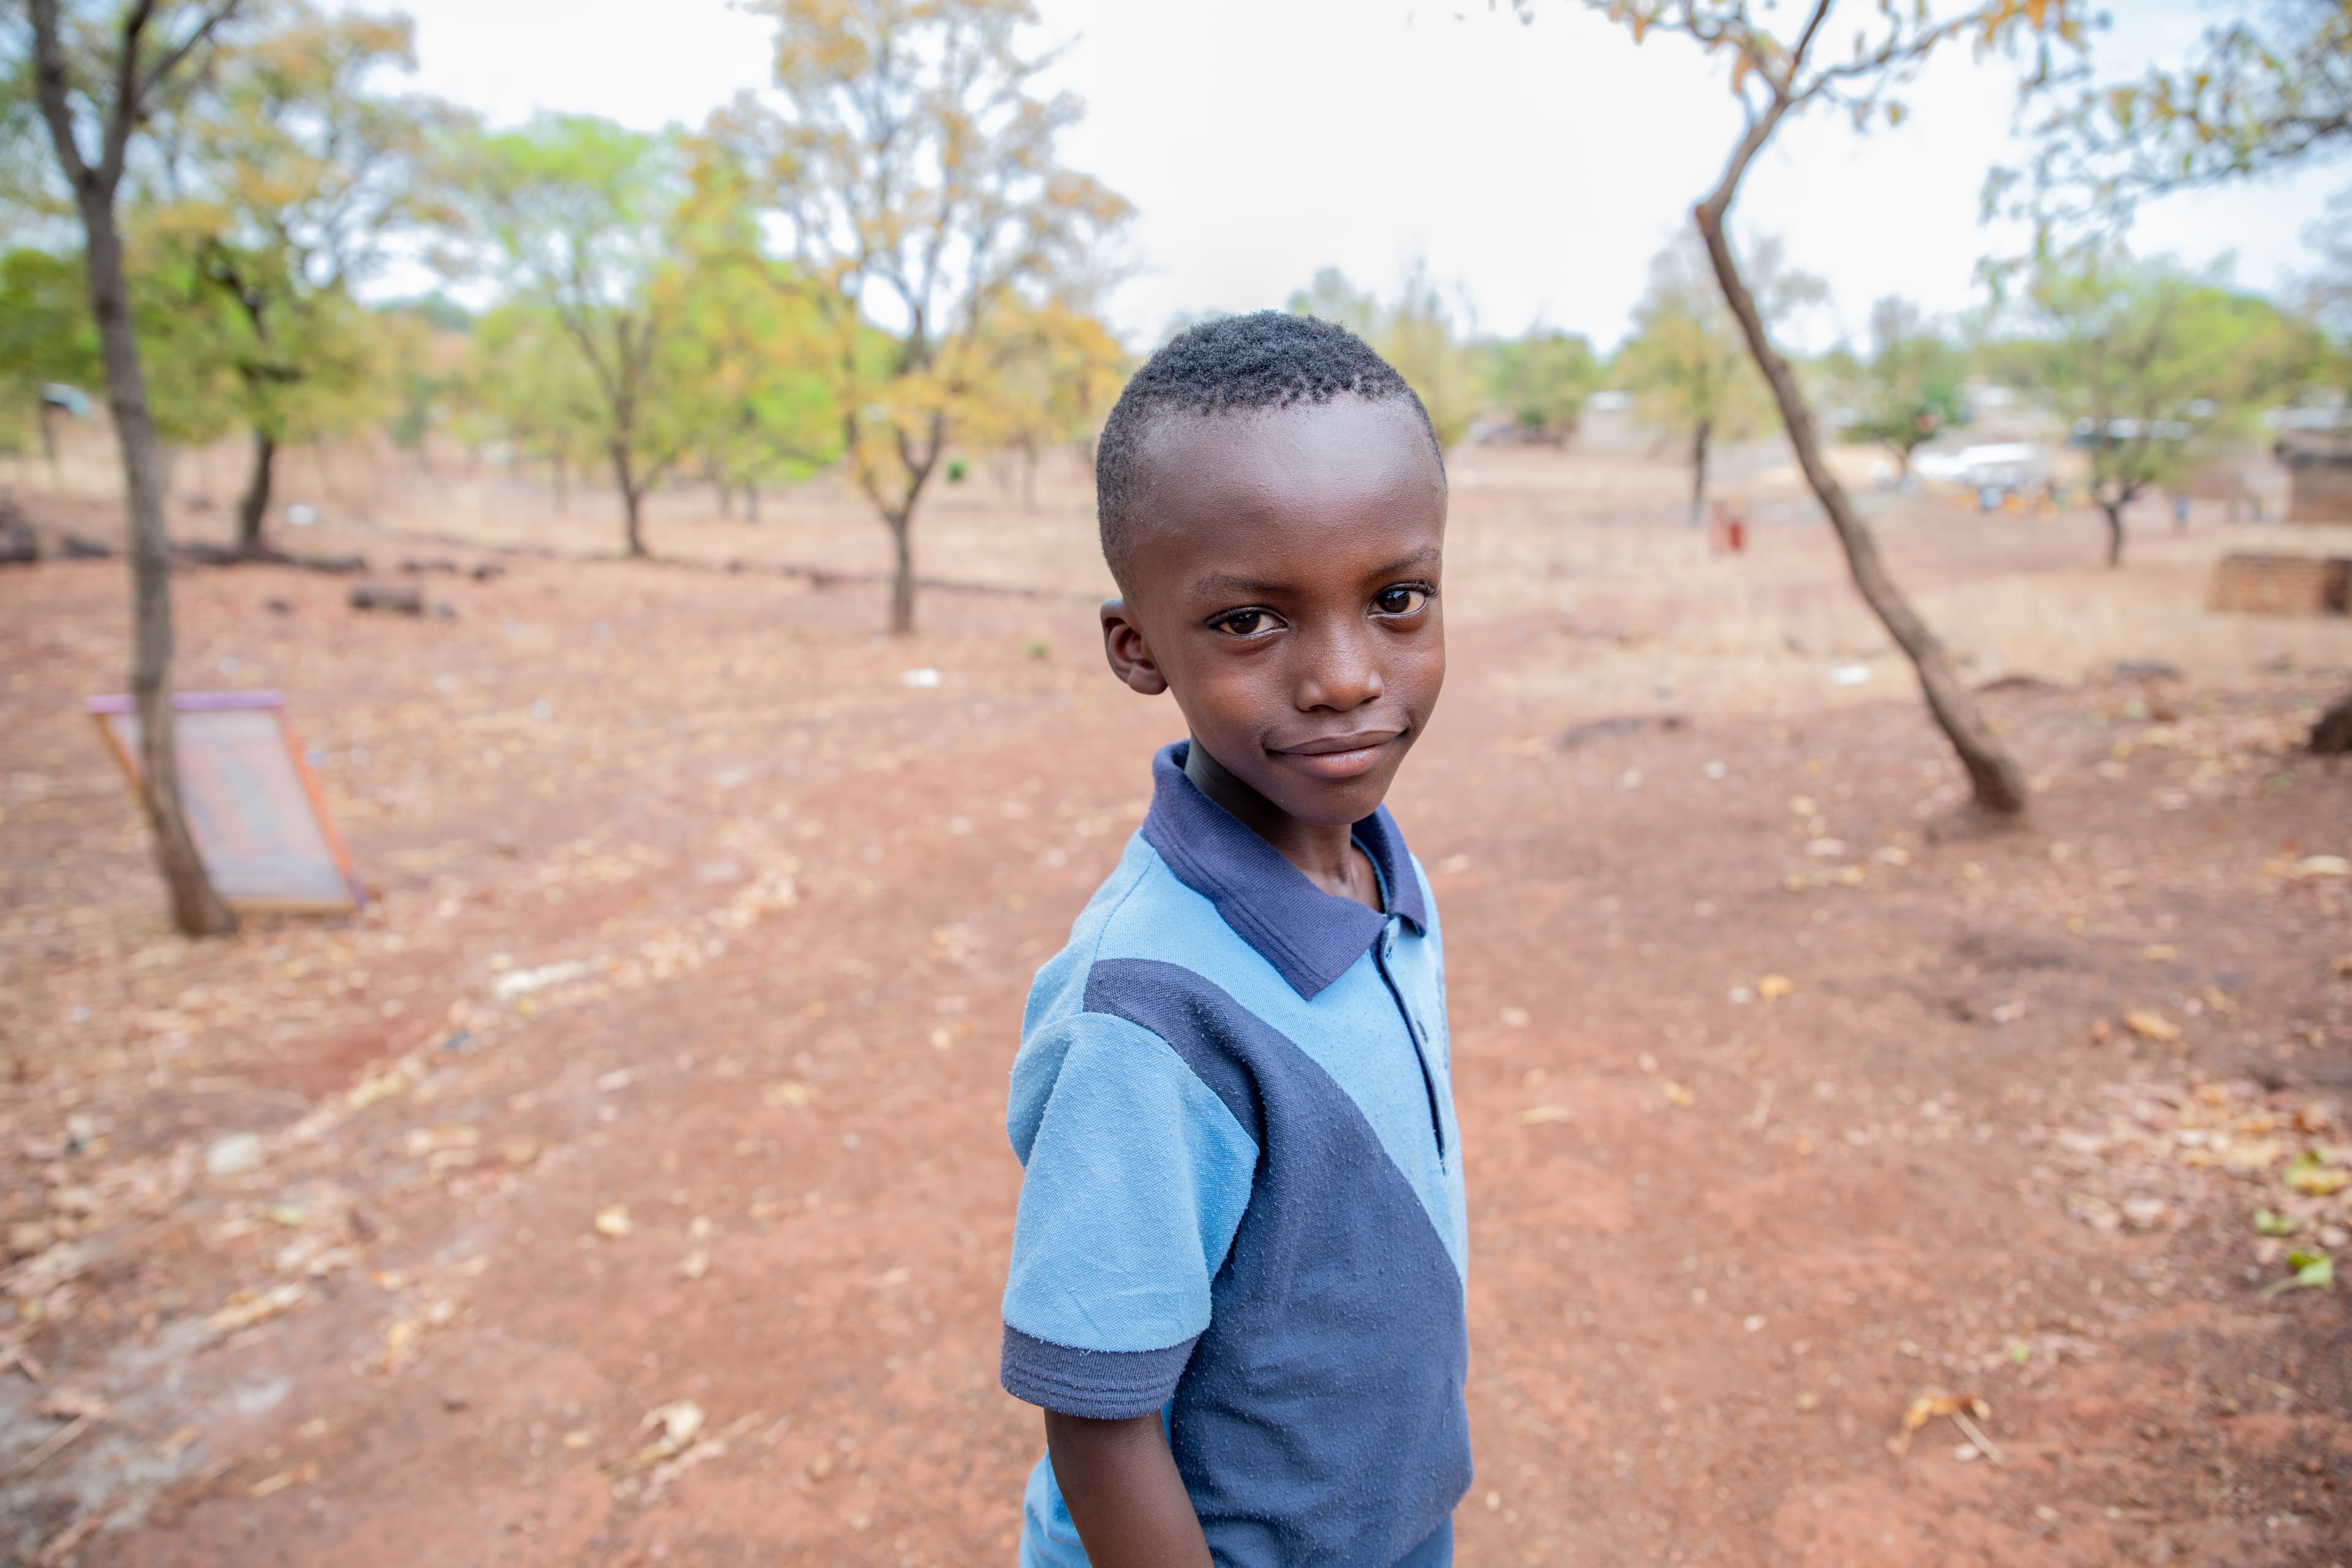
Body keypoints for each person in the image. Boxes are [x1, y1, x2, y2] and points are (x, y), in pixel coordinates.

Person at [997, 312, 1468, 1568]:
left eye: (1397, 599)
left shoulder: (1378, 868)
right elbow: (1099, 1417)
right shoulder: (1148, 1014)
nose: (1345, 677)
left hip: (1388, 1520)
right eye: (1253, 622)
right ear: (1136, 645)